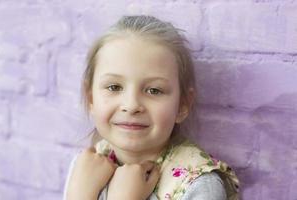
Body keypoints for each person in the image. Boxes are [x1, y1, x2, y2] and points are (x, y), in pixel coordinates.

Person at [63, 15, 239, 200]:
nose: (131, 106)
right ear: (90, 98)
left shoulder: (200, 186)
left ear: (182, 105)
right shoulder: (86, 169)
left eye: (154, 90)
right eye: (114, 87)